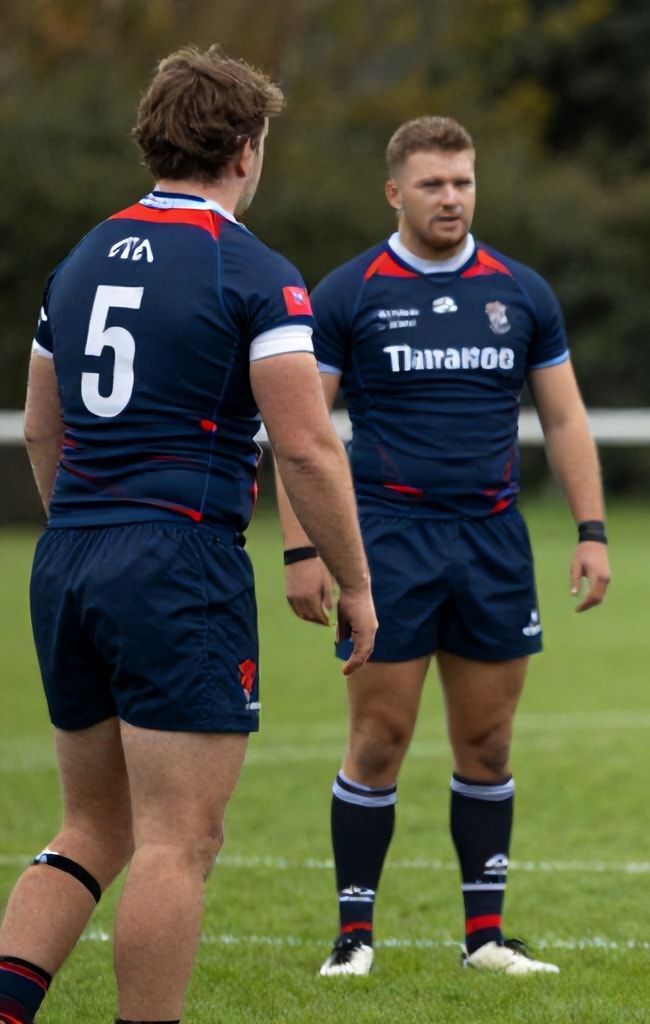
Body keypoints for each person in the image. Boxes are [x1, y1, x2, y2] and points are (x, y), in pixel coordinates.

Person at [0, 46, 374, 1024]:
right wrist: (359, 584)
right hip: (175, 564)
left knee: (90, 824)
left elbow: (43, 427)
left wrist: (85, 525)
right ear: (247, 150)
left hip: (70, 552)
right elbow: (305, 447)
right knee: (178, 839)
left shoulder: (80, 258)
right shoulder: (251, 270)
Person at [277, 115, 610, 978]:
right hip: (385, 539)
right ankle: (353, 939)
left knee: (489, 744)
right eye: (433, 184)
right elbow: (299, 430)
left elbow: (565, 417)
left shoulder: (520, 292)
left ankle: (485, 938)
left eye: (462, 182)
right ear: (395, 192)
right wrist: (301, 550)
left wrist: (592, 532)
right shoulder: (349, 292)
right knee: (380, 737)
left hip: (494, 541)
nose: (451, 197)